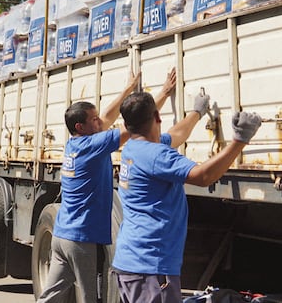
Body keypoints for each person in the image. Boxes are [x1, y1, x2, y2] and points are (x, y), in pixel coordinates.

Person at [37, 68, 178, 303]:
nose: (99, 121)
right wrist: (162, 94)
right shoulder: (92, 145)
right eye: (94, 119)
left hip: (62, 236)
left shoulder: (76, 145)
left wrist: (127, 90)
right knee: (90, 298)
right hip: (80, 239)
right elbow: (135, 125)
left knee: (50, 297)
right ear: (81, 127)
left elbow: (108, 118)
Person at [112, 92, 263, 303]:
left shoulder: (133, 148)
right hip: (151, 268)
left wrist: (197, 112)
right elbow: (203, 176)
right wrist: (240, 140)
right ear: (157, 117)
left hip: (133, 263)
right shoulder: (157, 155)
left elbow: (176, 134)